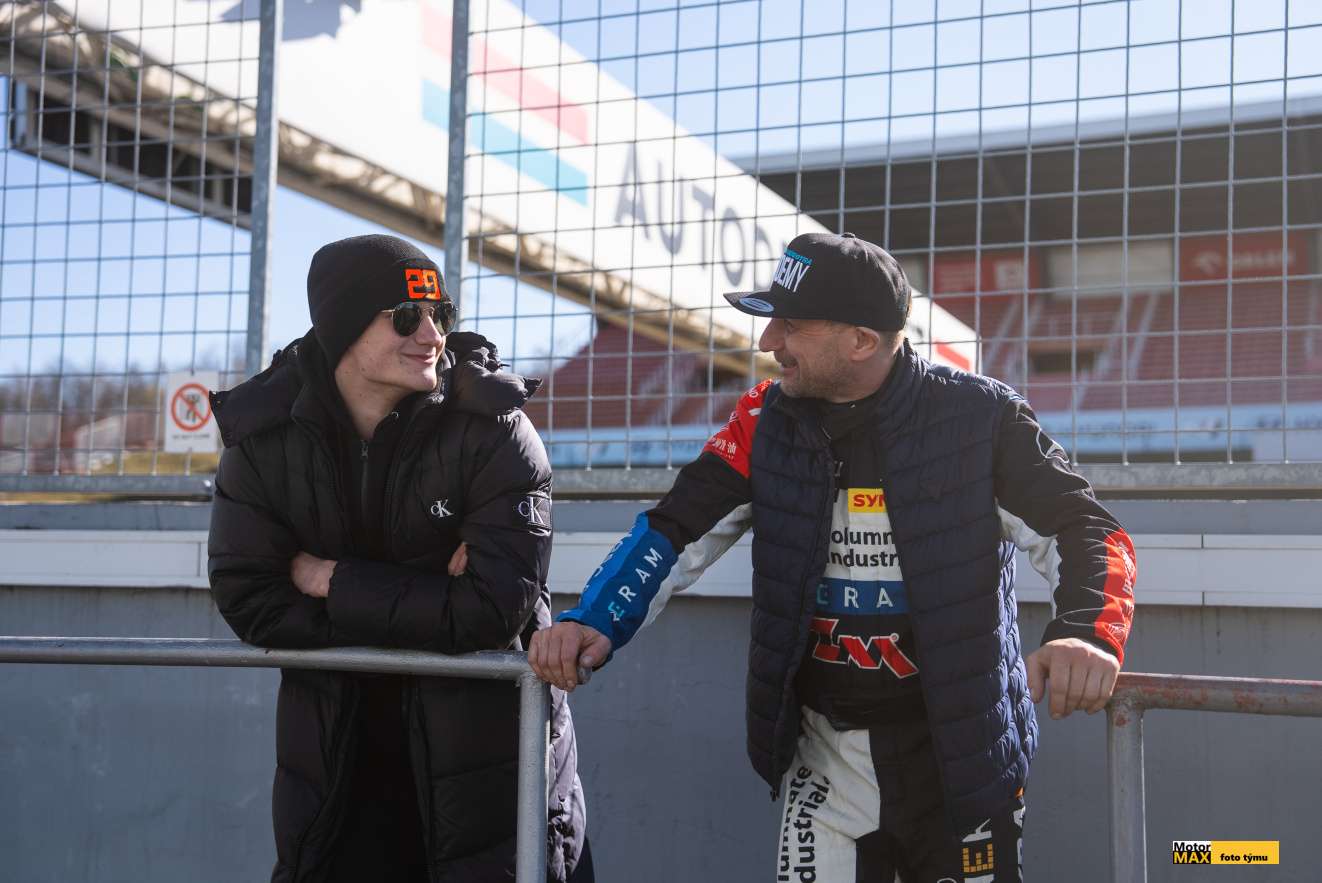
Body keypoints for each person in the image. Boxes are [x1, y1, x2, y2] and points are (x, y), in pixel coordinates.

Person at [530, 232, 1136, 881]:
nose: (769, 342)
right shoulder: (762, 419)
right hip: (824, 762)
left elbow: (1086, 530)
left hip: (962, 762)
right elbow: (673, 529)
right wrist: (595, 617)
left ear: (862, 341)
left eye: (790, 325)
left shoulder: (982, 418)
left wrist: (1086, 633)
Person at [207, 234, 591, 883]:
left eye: (440, 313)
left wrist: (331, 580)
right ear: (343, 327)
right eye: (407, 316)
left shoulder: (494, 425)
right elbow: (249, 598)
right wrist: (429, 594)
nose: (432, 335)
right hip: (337, 777)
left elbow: (492, 608)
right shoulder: (264, 435)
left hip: (488, 778)